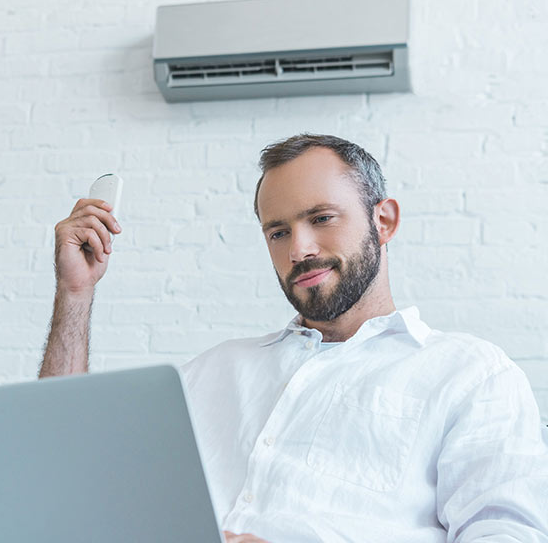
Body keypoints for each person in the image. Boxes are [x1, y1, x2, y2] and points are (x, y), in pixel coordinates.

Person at [40, 134, 548, 543]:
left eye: (322, 218)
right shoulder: (211, 372)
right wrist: (76, 291)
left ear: (384, 220)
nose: (299, 249)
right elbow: (66, 473)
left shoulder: (469, 373)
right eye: (277, 232)